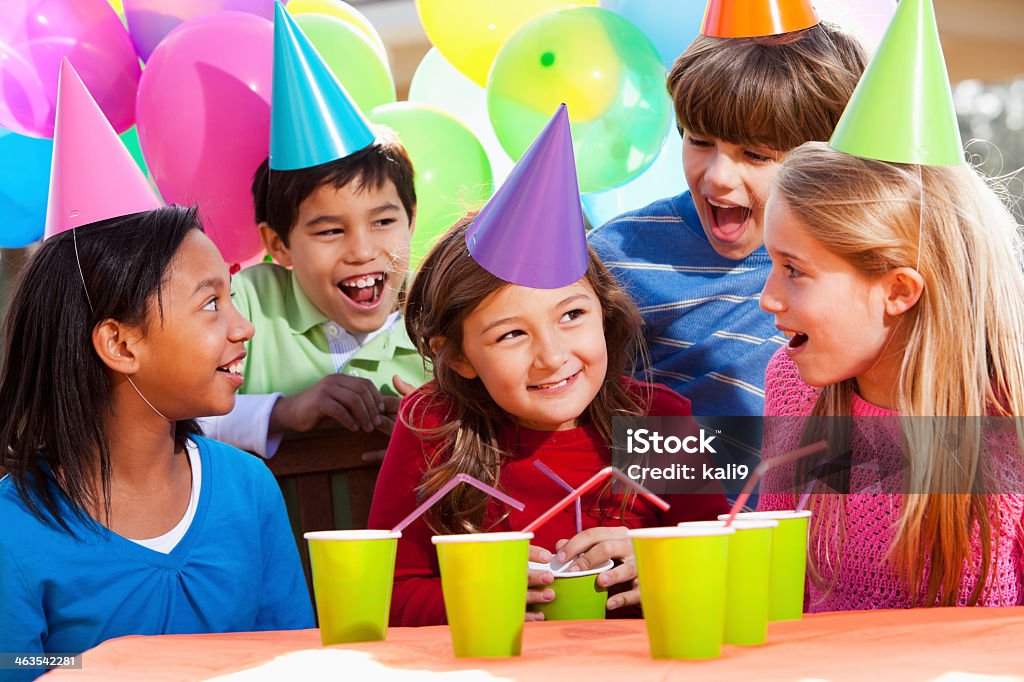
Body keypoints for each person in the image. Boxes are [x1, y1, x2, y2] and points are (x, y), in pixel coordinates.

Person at [0, 62, 310, 680]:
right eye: (211, 303)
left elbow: (291, 655)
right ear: (119, 343)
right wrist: (96, 664)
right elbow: (16, 663)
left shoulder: (249, 490)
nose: (242, 327)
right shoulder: (13, 526)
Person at [368, 107, 728, 627]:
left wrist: (664, 566)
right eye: (512, 334)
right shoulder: (433, 427)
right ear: (460, 355)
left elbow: (724, 576)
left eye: (572, 316)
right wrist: (479, 598)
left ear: (603, 312)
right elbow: (390, 595)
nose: (553, 355)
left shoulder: (658, 421)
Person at [756, 0, 1024, 610]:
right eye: (771, 264)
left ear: (899, 291)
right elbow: (774, 583)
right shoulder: (792, 388)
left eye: (795, 270)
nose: (767, 296)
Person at [589, 0, 866, 417]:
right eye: (699, 141)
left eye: (755, 155)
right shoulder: (616, 259)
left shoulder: (858, 266)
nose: (718, 176)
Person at [199, 4, 429, 460]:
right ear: (278, 245)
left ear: (412, 219)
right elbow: (165, 416)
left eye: (383, 222)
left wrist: (440, 440)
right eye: (329, 232)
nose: (363, 251)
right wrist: (284, 411)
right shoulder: (241, 307)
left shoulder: (444, 320)